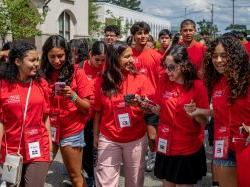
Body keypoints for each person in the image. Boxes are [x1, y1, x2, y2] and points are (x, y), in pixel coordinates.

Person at [93, 41, 153, 187]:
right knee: (105, 182)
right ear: (115, 59)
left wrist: (141, 104)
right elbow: (97, 111)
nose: (132, 59)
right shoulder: (102, 81)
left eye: (132, 56)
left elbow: (151, 108)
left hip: (135, 139)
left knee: (134, 182)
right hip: (109, 138)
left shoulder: (141, 79)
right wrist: (96, 135)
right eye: (127, 57)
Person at [152, 44, 209, 187]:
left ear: (183, 66)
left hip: (187, 149)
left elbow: (204, 121)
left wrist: (195, 113)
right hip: (166, 145)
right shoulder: (163, 81)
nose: (167, 71)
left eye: (171, 67)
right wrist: (150, 107)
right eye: (165, 66)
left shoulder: (197, 86)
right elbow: (158, 108)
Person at [41, 35, 92, 187]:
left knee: (74, 175)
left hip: (72, 130)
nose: (57, 61)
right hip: (49, 130)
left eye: (60, 56)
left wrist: (73, 96)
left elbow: (87, 107)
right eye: (52, 57)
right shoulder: (41, 75)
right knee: (40, 172)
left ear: (67, 54)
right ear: (46, 56)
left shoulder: (77, 72)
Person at [0, 41, 52, 187]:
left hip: (38, 148)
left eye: (38, 60)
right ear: (17, 61)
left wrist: (50, 147)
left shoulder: (41, 84)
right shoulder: (3, 86)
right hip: (11, 151)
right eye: (32, 60)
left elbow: (46, 116)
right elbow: (1, 121)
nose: (37, 64)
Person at [203, 36, 250, 187]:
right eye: (215, 56)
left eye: (224, 56)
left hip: (246, 147)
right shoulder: (216, 81)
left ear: (235, 56)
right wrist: (199, 111)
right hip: (223, 146)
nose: (218, 60)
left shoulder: (248, 80)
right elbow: (221, 112)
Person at [130, 21, 162, 172]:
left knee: (152, 136)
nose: (142, 36)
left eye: (145, 33)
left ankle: (153, 154)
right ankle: (136, 157)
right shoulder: (128, 54)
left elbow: (162, 79)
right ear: (133, 35)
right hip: (133, 101)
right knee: (133, 133)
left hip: (151, 102)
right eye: (139, 33)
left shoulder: (156, 56)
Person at [81, 41, 108, 186]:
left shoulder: (108, 69)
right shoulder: (79, 68)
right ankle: (90, 176)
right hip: (84, 115)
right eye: (97, 59)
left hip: (102, 114)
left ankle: (98, 174)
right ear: (90, 54)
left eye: (103, 60)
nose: (100, 63)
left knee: (99, 147)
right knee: (87, 147)